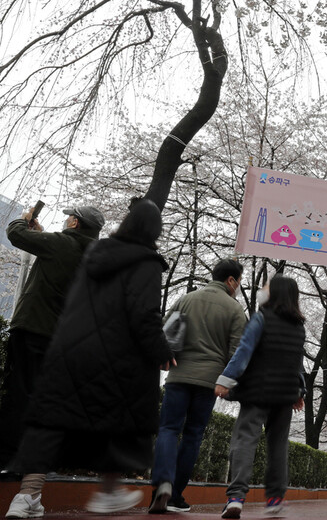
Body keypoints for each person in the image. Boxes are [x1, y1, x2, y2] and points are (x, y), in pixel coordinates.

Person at [4, 199, 172, 518]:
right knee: (116, 421)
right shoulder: (145, 262)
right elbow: (143, 314)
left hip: (68, 348)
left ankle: (26, 496)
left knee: (50, 421)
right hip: (110, 356)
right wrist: (161, 351)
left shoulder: (97, 253)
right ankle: (109, 492)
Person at [0, 203, 104, 471]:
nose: (67, 219)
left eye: (69, 217)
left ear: (75, 223)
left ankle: (9, 459)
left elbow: (16, 234)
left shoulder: (61, 244)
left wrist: (23, 221)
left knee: (19, 393)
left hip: (33, 329)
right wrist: (43, 233)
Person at [149, 259, 249, 513]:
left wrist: (167, 359)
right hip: (209, 382)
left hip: (179, 375)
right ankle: (176, 495)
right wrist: (228, 383)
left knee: (169, 429)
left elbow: (166, 334)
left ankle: (162, 483)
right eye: (238, 282)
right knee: (193, 434)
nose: (238, 287)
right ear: (230, 280)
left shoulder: (187, 299)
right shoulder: (235, 310)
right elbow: (236, 353)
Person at [215, 274, 306, 519]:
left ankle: (236, 498)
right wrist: (300, 392)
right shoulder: (298, 326)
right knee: (278, 446)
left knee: (245, 440)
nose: (263, 290)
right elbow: (298, 362)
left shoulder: (261, 318)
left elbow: (244, 351)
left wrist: (225, 380)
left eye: (267, 287)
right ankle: (275, 499)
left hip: (257, 391)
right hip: (285, 394)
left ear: (274, 293)